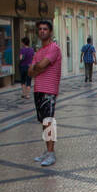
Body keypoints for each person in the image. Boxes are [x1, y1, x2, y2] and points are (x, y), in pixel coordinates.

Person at [29, 19, 62, 167]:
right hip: (38, 89)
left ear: (50, 32)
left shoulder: (53, 48)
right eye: (40, 29)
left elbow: (42, 65)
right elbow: (30, 72)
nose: (42, 31)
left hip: (49, 89)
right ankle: (47, 150)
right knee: (43, 122)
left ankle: (51, 153)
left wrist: (38, 67)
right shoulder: (38, 52)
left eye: (45, 29)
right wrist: (38, 67)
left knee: (49, 121)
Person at [18, 33, 35, 100]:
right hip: (29, 66)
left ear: (24, 43)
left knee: (23, 80)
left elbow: (20, 58)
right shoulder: (31, 50)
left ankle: (24, 94)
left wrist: (22, 59)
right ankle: (28, 95)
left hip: (23, 66)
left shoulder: (22, 50)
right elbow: (33, 58)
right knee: (28, 80)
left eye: (22, 42)